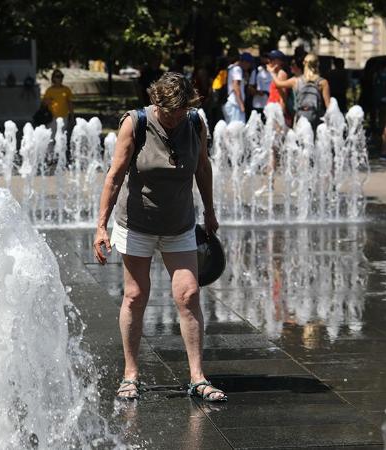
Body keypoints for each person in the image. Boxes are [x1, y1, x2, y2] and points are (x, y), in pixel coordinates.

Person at [92, 72, 224, 402]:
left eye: (183, 110)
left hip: (179, 223)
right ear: (156, 103)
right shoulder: (135, 124)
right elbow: (115, 176)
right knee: (136, 295)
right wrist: (100, 226)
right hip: (137, 222)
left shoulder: (195, 124)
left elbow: (202, 168)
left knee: (189, 293)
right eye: (171, 112)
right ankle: (131, 375)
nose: (177, 117)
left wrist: (209, 210)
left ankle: (198, 377)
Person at [270, 53, 331, 128]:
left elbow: (278, 84)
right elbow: (329, 106)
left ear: (304, 64)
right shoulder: (322, 82)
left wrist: (272, 73)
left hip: (300, 117)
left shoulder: (296, 80)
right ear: (317, 64)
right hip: (316, 118)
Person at [223, 53, 254, 123]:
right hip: (235, 104)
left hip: (232, 103)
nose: (250, 66)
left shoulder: (231, 67)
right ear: (245, 62)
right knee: (237, 129)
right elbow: (236, 86)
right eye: (249, 63)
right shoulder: (238, 69)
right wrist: (241, 105)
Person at [265, 50, 291, 124]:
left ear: (280, 62)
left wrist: (282, 112)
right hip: (272, 108)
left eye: (272, 59)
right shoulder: (276, 74)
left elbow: (283, 95)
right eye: (269, 59)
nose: (269, 61)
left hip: (277, 108)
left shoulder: (281, 74)